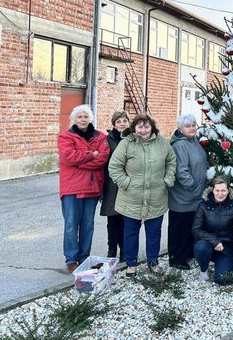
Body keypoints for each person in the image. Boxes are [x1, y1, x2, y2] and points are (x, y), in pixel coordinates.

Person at [108, 113, 176, 276]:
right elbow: (114, 167)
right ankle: (131, 264)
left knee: (154, 232)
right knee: (131, 232)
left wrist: (167, 180)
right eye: (140, 126)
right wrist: (126, 183)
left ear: (152, 127)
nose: (143, 130)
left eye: (146, 126)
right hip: (131, 197)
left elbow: (171, 161)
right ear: (134, 128)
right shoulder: (126, 143)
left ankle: (153, 262)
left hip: (156, 196)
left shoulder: (162, 143)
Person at [57, 104, 109, 273]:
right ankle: (71, 259)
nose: (83, 119)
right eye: (79, 117)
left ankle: (84, 257)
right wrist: (90, 155)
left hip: (92, 187)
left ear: (90, 119)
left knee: (88, 225)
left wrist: (82, 162)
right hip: (71, 188)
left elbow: (102, 158)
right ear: (74, 119)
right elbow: (68, 157)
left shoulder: (100, 137)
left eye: (86, 116)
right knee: (71, 225)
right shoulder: (65, 137)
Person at [192, 176, 233, 285]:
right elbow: (196, 230)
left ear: (228, 190)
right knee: (201, 247)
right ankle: (204, 270)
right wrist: (214, 240)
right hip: (207, 243)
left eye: (223, 190)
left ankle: (221, 263)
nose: (220, 193)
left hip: (225, 246)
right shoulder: (203, 205)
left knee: (222, 280)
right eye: (217, 190)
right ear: (212, 190)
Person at [168, 114, 208, 270]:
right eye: (188, 126)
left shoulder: (194, 141)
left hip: (196, 196)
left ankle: (188, 254)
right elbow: (181, 171)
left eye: (193, 125)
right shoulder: (179, 145)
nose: (192, 128)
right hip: (183, 197)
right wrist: (193, 186)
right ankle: (176, 259)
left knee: (191, 227)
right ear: (180, 129)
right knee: (180, 228)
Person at [99, 110, 129, 261]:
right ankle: (112, 249)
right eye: (119, 121)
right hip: (112, 185)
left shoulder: (133, 139)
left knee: (126, 220)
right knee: (113, 220)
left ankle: (125, 250)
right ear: (114, 125)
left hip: (128, 185)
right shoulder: (107, 140)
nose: (122, 124)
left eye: (124, 121)